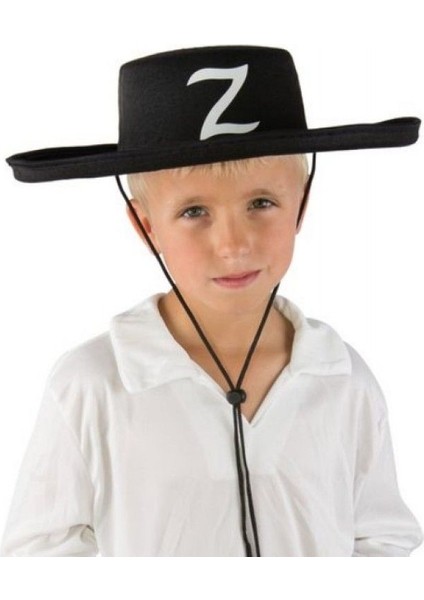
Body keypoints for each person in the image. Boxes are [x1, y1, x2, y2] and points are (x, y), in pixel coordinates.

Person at [1, 45, 422, 557]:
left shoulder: (342, 378)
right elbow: (40, 554)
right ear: (145, 225)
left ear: (302, 205)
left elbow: (381, 539)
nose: (233, 244)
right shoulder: (92, 384)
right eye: (194, 211)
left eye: (261, 202)